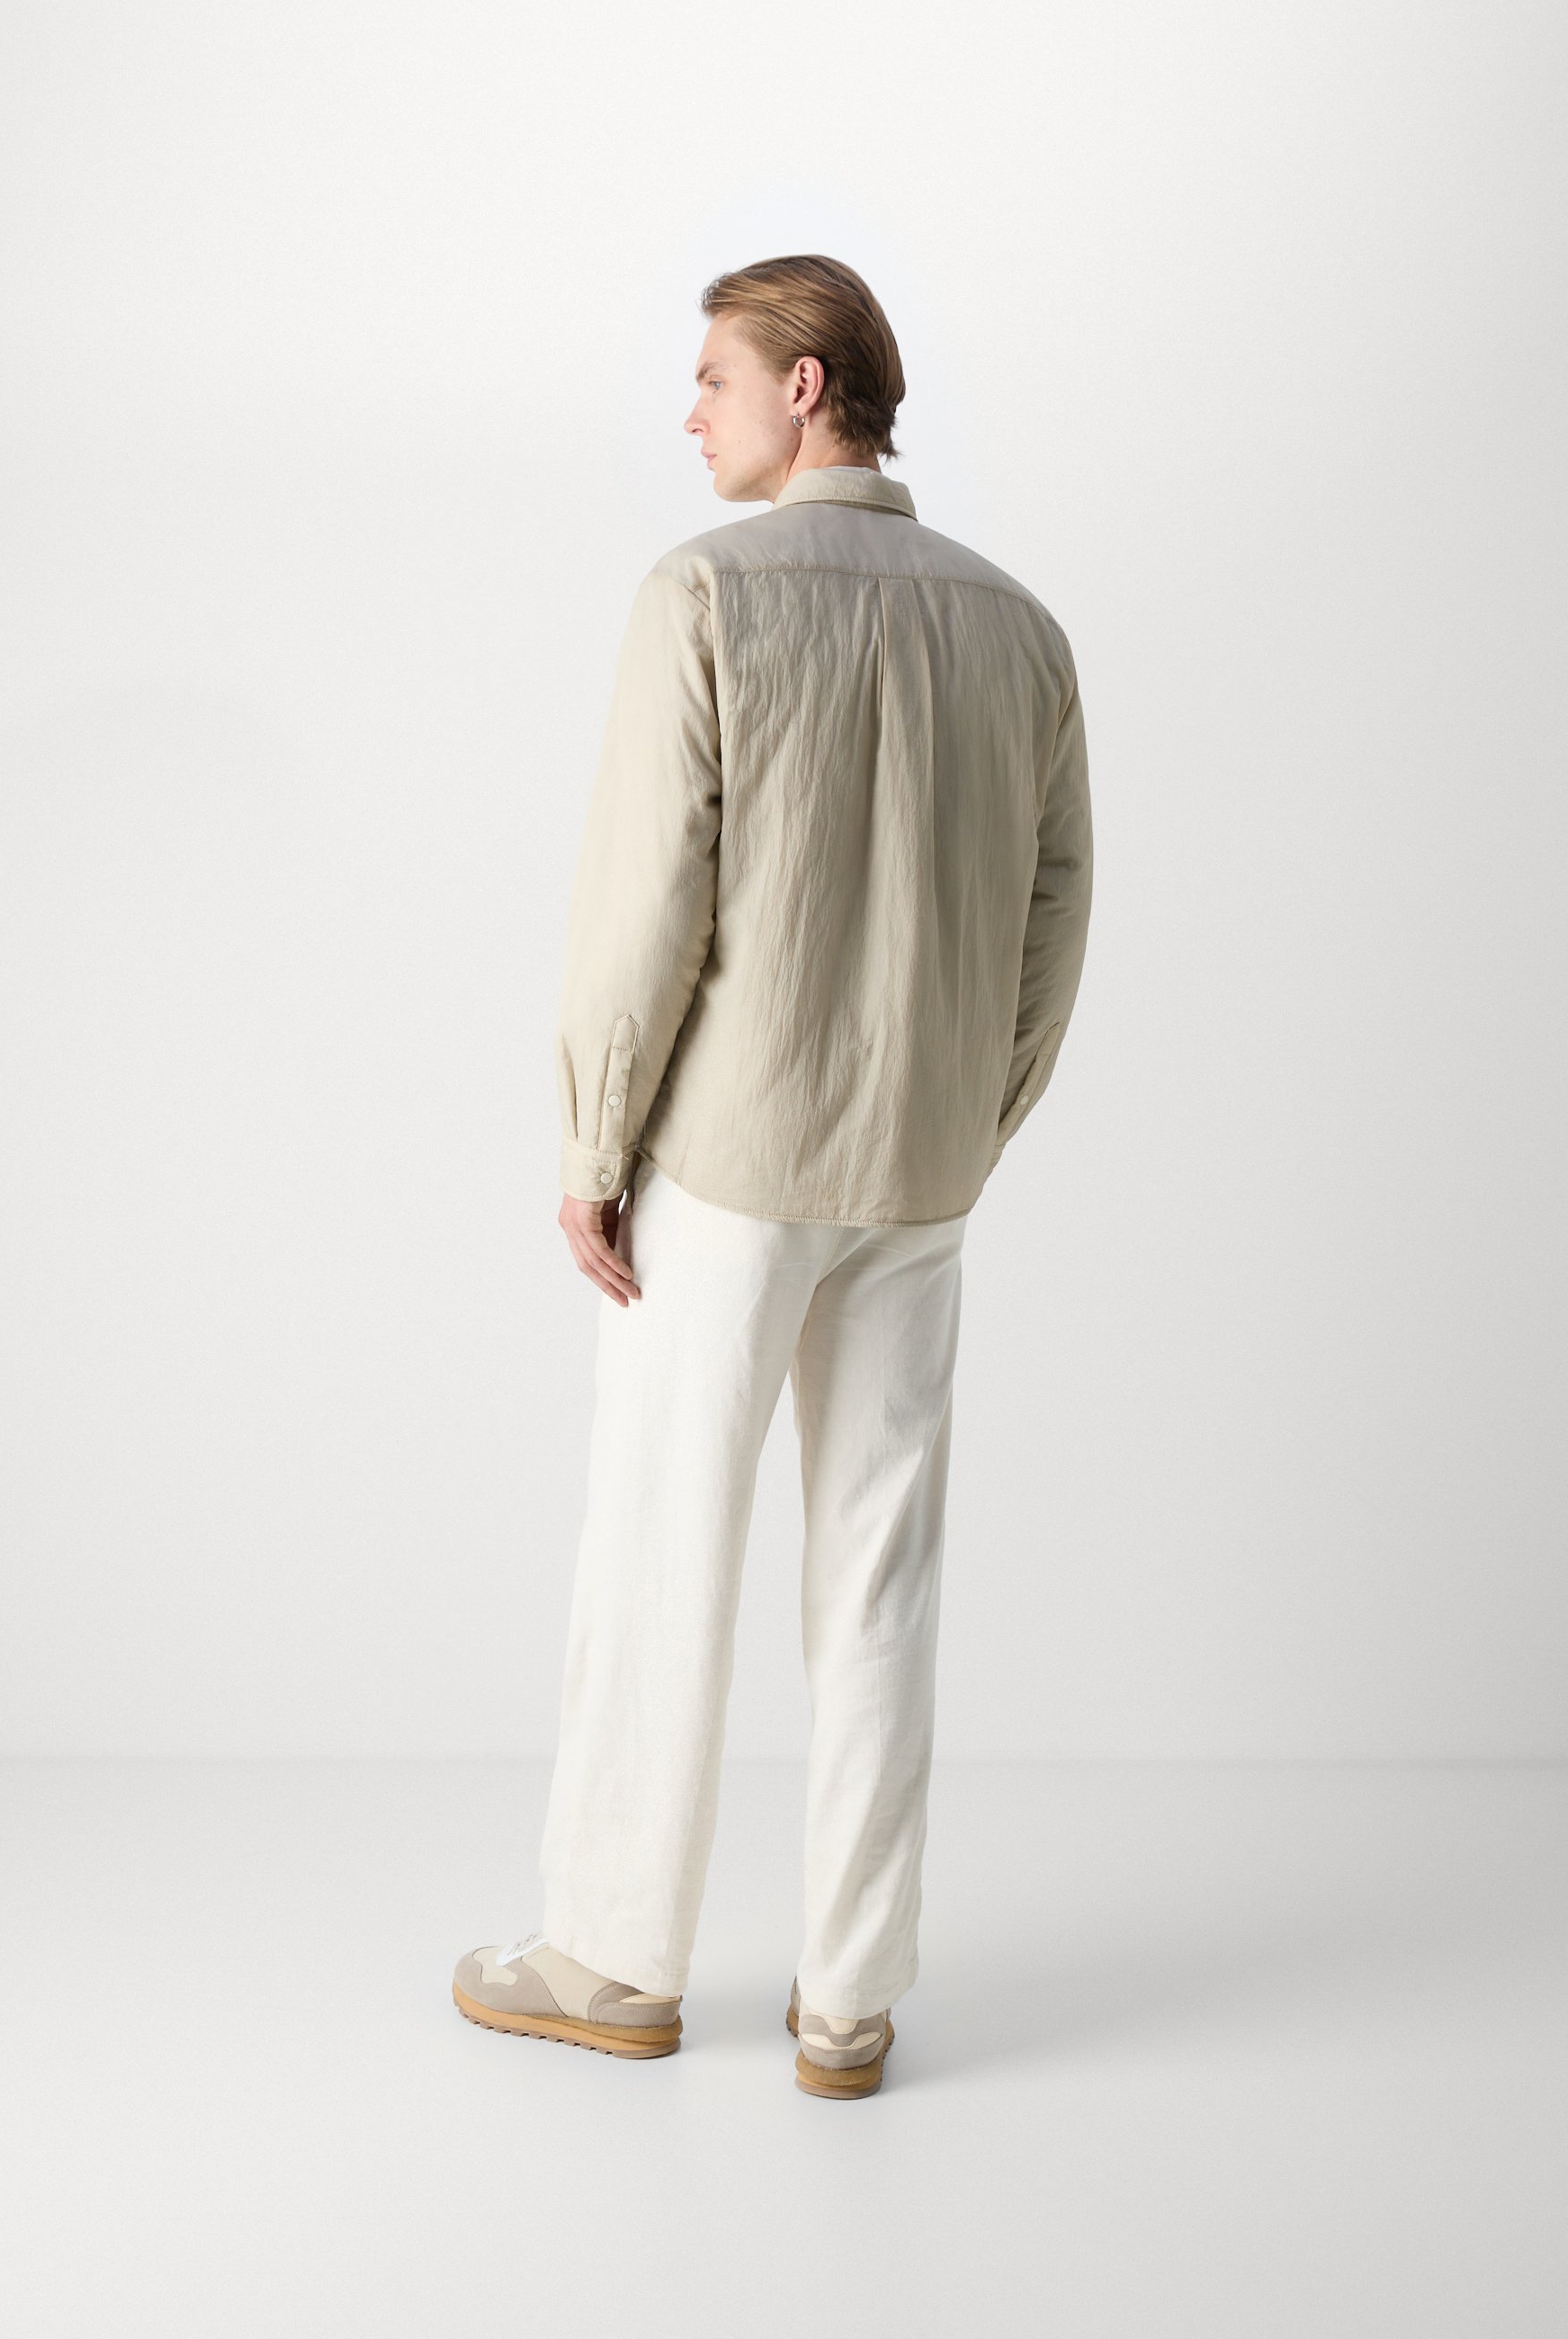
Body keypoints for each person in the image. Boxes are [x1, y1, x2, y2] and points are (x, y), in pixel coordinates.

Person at [453, 253, 1094, 2098]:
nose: (693, 412)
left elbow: (646, 902)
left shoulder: (705, 593)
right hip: (918, 1175)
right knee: (881, 1578)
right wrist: (968, 1118)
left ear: (805, 387)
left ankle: (612, 1958)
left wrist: (593, 1148)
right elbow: (1054, 912)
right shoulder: (1020, 628)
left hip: (728, 1168)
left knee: (662, 1551)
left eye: (714, 378)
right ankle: (849, 2005)